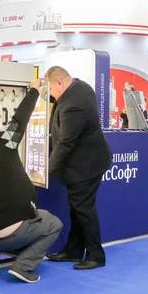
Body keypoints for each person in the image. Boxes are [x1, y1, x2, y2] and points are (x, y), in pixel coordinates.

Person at [0, 80, 63, 284]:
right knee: (53, 223)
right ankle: (23, 267)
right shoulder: (2, 145)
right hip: (10, 233)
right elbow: (19, 120)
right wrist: (34, 92)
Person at [44, 66, 112, 270]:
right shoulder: (80, 86)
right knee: (78, 208)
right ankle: (73, 250)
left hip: (86, 165)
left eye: (50, 89)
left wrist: (45, 172)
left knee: (84, 209)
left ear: (59, 83)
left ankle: (96, 255)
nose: (50, 95)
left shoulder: (73, 106)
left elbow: (65, 144)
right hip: (86, 162)